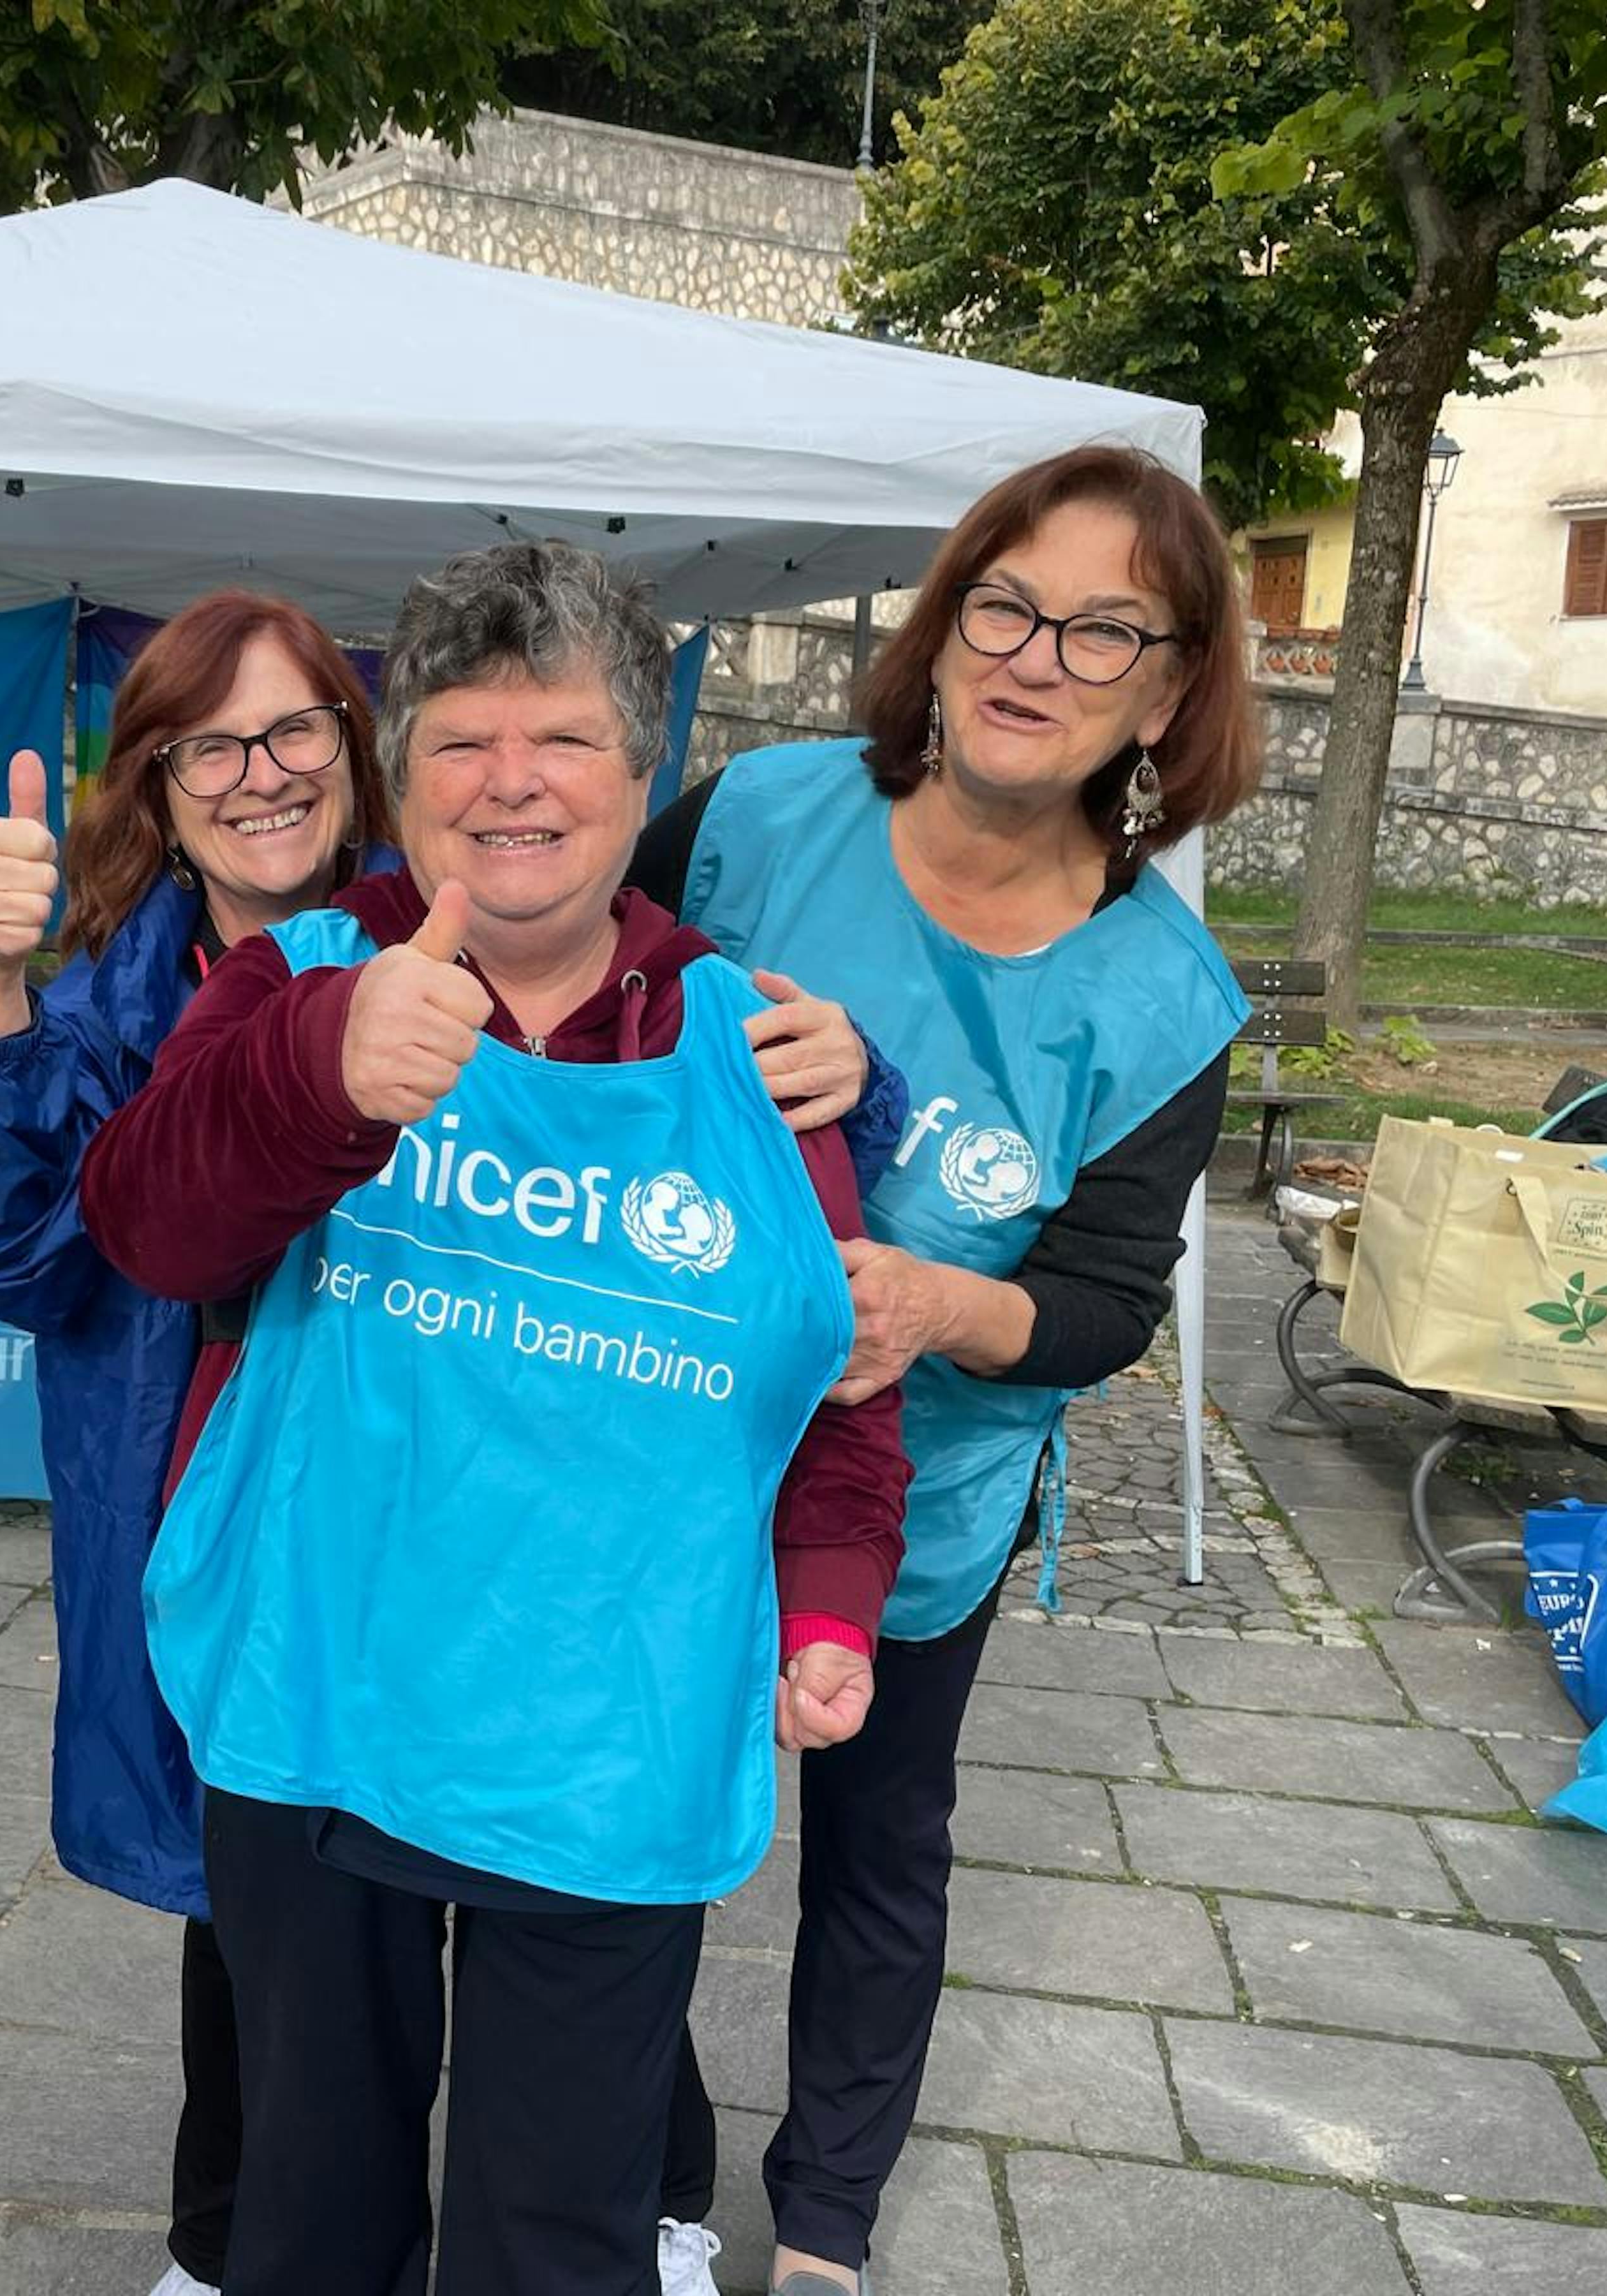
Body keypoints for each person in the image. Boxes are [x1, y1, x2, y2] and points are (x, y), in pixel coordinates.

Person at [0, 589, 892, 2296]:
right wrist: (311, 1069)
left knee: (556, 2207)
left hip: (601, 1722)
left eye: (564, 736)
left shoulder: (745, 1038)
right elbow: (130, 1223)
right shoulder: (287, 983)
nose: (514, 780)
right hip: (316, 1679)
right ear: (407, 778)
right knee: (307, 2175)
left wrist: (833, 1599)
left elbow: (830, 1361)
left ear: (643, 768)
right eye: (465, 742)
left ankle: (653, 2208)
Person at [629, 445, 1261, 2293]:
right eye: (1006, 602)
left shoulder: (1164, 1001)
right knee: (635, 1817)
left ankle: (827, 2222)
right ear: (947, 616)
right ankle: (654, 2180)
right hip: (657, 1447)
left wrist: (930, 1306)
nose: (1035, 658)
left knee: (881, 1848)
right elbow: (584, 1014)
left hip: (922, 1504)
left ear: (1168, 694)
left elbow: (1106, 1302)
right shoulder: (757, 822)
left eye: (1104, 631)